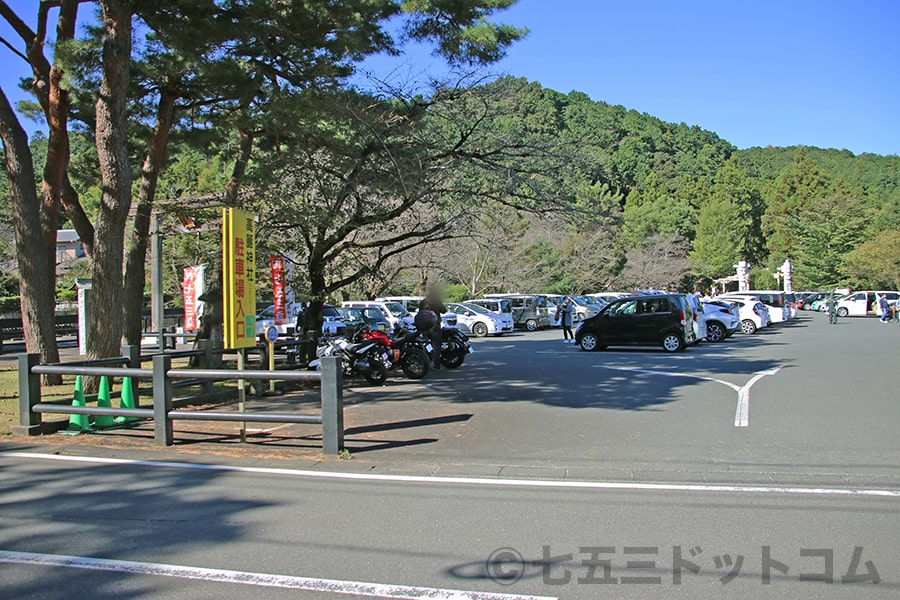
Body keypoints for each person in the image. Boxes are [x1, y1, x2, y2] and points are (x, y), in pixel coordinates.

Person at [417, 288, 447, 369]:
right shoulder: (437, 301)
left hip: (425, 327)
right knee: (436, 346)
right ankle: (436, 365)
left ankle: (425, 362)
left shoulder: (423, 302)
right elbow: (444, 310)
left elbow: (420, 312)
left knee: (426, 345)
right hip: (435, 326)